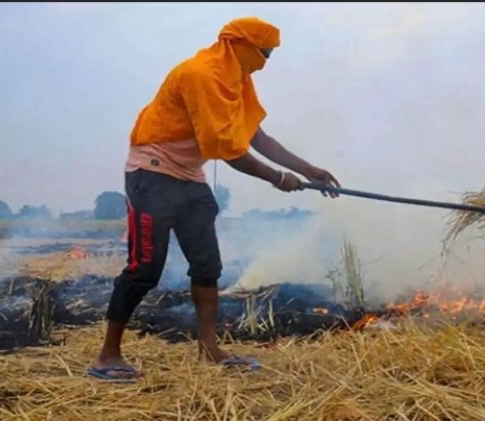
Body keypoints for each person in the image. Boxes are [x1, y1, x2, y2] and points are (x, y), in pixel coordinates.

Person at [88, 16, 340, 382]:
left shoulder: (237, 80)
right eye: (264, 52)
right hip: (152, 173)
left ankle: (209, 349)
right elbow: (227, 150)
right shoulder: (202, 74)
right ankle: (107, 355)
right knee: (144, 270)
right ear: (239, 45)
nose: (266, 61)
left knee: (208, 268)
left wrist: (308, 170)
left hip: (190, 177)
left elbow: (256, 136)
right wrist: (278, 179)